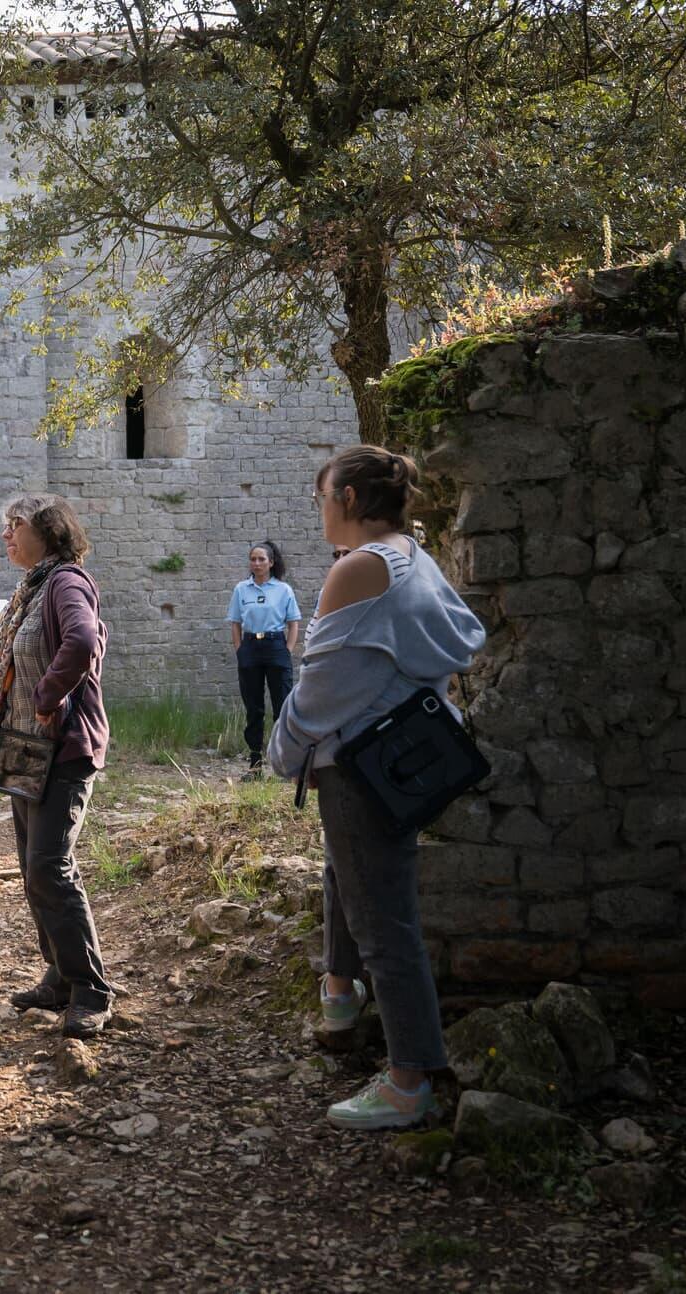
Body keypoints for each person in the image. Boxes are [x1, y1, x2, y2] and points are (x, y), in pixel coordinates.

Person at [266, 445, 485, 1130]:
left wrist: (282, 751)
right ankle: (339, 991)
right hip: (402, 760)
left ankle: (409, 1079)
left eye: (324, 494)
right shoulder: (413, 558)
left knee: (385, 924)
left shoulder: (358, 569)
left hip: (360, 769)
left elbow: (322, 686)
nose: (320, 507)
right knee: (350, 875)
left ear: (352, 499)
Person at [0, 493, 114, 1040]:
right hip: (23, 745)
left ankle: (91, 991)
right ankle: (58, 977)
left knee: (49, 867)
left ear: (50, 531)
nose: (7, 535)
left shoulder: (65, 582)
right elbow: (26, 654)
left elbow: (82, 641)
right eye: (5, 526)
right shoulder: (30, 587)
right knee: (33, 870)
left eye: (16, 525)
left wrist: (47, 695)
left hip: (62, 745)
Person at [227, 541, 302, 774]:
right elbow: (235, 622)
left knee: (281, 704)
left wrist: (287, 649)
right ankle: (255, 761)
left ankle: (283, 760)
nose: (257, 563)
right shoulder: (241, 589)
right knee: (253, 706)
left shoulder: (283, 590)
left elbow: (293, 622)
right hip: (250, 647)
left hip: (275, 646)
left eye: (261, 559)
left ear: (271, 562)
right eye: (253, 559)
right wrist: (240, 649)